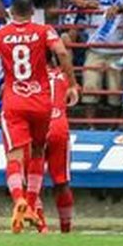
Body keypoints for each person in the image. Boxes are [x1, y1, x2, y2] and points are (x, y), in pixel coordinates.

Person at [0, 0, 76, 234]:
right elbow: (62, 53)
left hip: (15, 102)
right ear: (33, 12)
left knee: (14, 157)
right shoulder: (44, 31)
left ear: (11, 12)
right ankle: (33, 206)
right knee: (37, 154)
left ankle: (20, 199)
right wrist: (72, 82)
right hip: (43, 105)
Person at [39, 61, 76, 233]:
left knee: (31, 180)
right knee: (61, 181)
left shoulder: (30, 76)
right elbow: (74, 95)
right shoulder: (63, 75)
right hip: (59, 126)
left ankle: (42, 227)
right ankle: (66, 229)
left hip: (37, 126)